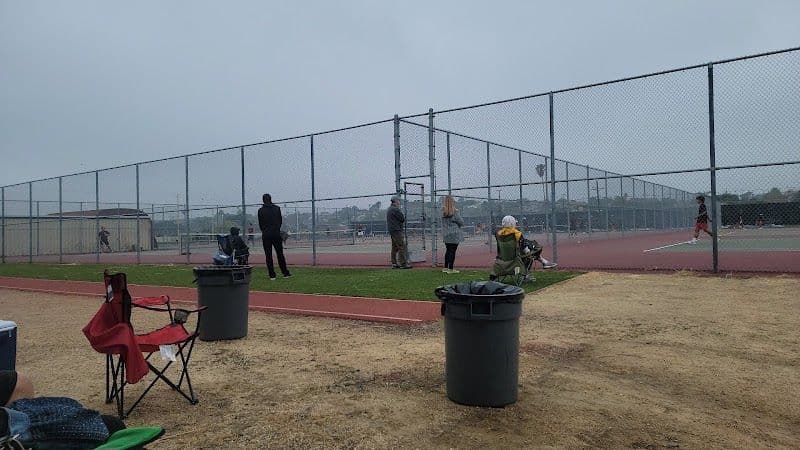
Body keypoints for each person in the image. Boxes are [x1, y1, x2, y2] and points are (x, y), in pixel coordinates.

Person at [258, 194, 292, 280]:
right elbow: (280, 220)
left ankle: (272, 275)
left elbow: (260, 224)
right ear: (271, 199)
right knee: (280, 254)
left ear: (263, 200)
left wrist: (265, 231)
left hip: (266, 235)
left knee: (268, 255)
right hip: (276, 234)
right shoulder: (277, 208)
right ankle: (285, 273)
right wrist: (276, 229)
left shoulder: (261, 211)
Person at [441, 196, 464, 274]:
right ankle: (451, 268)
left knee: (448, 250)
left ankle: (445, 267)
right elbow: (461, 222)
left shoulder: (443, 211)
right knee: (452, 251)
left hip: (446, 233)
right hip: (454, 233)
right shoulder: (455, 211)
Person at [387, 196, 411, 269]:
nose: (399, 202)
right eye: (398, 201)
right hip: (397, 230)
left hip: (392, 230)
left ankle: (394, 263)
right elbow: (402, 219)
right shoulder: (395, 209)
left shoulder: (390, 209)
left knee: (394, 247)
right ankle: (403, 263)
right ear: (396, 201)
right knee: (401, 246)